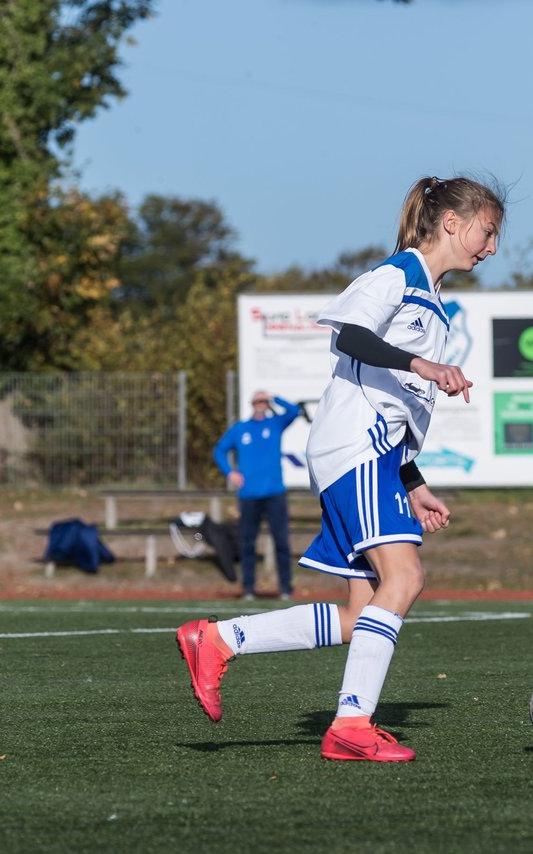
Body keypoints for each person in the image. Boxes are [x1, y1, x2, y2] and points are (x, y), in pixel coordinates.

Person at [177, 174, 505, 762]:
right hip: (356, 450)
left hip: (368, 454)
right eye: (488, 231)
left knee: (359, 613)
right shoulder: (396, 275)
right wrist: (425, 366)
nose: (492, 248)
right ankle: (351, 726)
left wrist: (413, 482)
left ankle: (219, 639)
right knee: (404, 580)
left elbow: (393, 402)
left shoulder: (431, 301)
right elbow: (351, 338)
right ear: (452, 222)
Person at [212, 391, 302, 600]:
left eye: (264, 401)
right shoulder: (240, 429)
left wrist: (275, 398)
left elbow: (294, 411)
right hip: (249, 495)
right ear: (252, 404)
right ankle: (249, 588)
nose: (260, 404)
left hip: (274, 494)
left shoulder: (275, 424)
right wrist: (230, 472)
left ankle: (286, 588)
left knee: (281, 542)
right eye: (257, 401)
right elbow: (219, 451)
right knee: (247, 543)